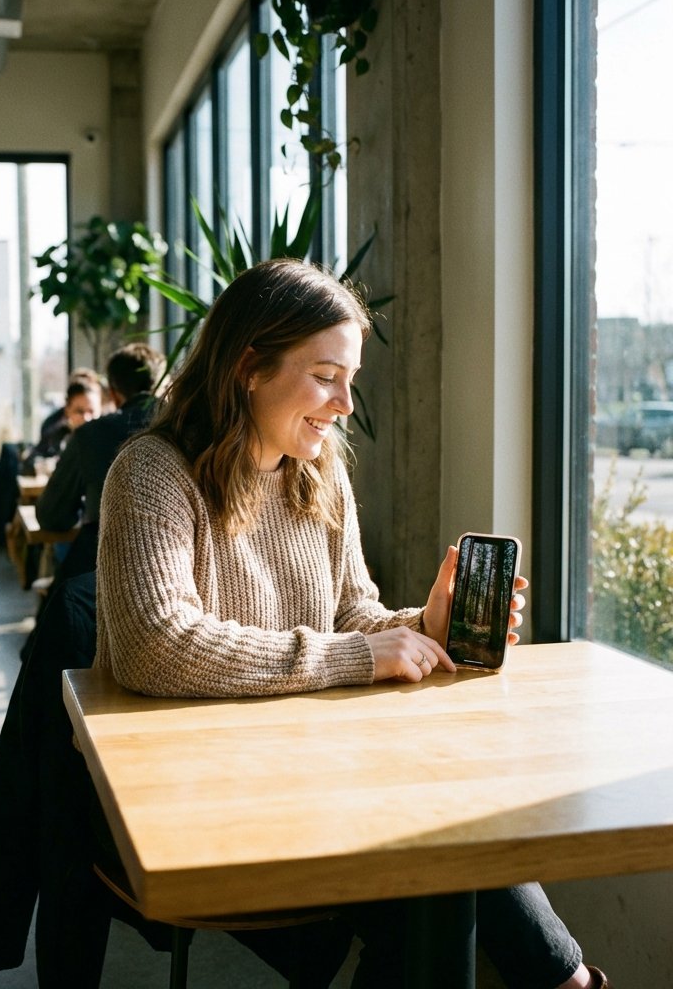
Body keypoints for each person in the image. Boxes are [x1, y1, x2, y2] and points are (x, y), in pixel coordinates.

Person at [93, 259, 610, 989]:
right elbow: (157, 646)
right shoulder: (152, 473)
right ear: (249, 366)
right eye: (326, 375)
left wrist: (421, 623)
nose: (343, 403)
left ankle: (571, 984)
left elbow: (350, 615)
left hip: (309, 772)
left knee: (446, 856)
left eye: (350, 378)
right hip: (198, 797)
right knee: (437, 870)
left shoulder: (320, 470)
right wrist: (362, 656)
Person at [35, 341, 165, 582]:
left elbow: (52, 515)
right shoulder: (194, 429)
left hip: (106, 576)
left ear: (114, 394)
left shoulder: (90, 435)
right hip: (181, 568)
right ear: (162, 384)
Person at [21, 377, 102, 476]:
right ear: (67, 410)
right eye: (79, 411)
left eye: (92, 411)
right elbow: (31, 460)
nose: (86, 418)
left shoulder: (108, 439)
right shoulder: (60, 435)